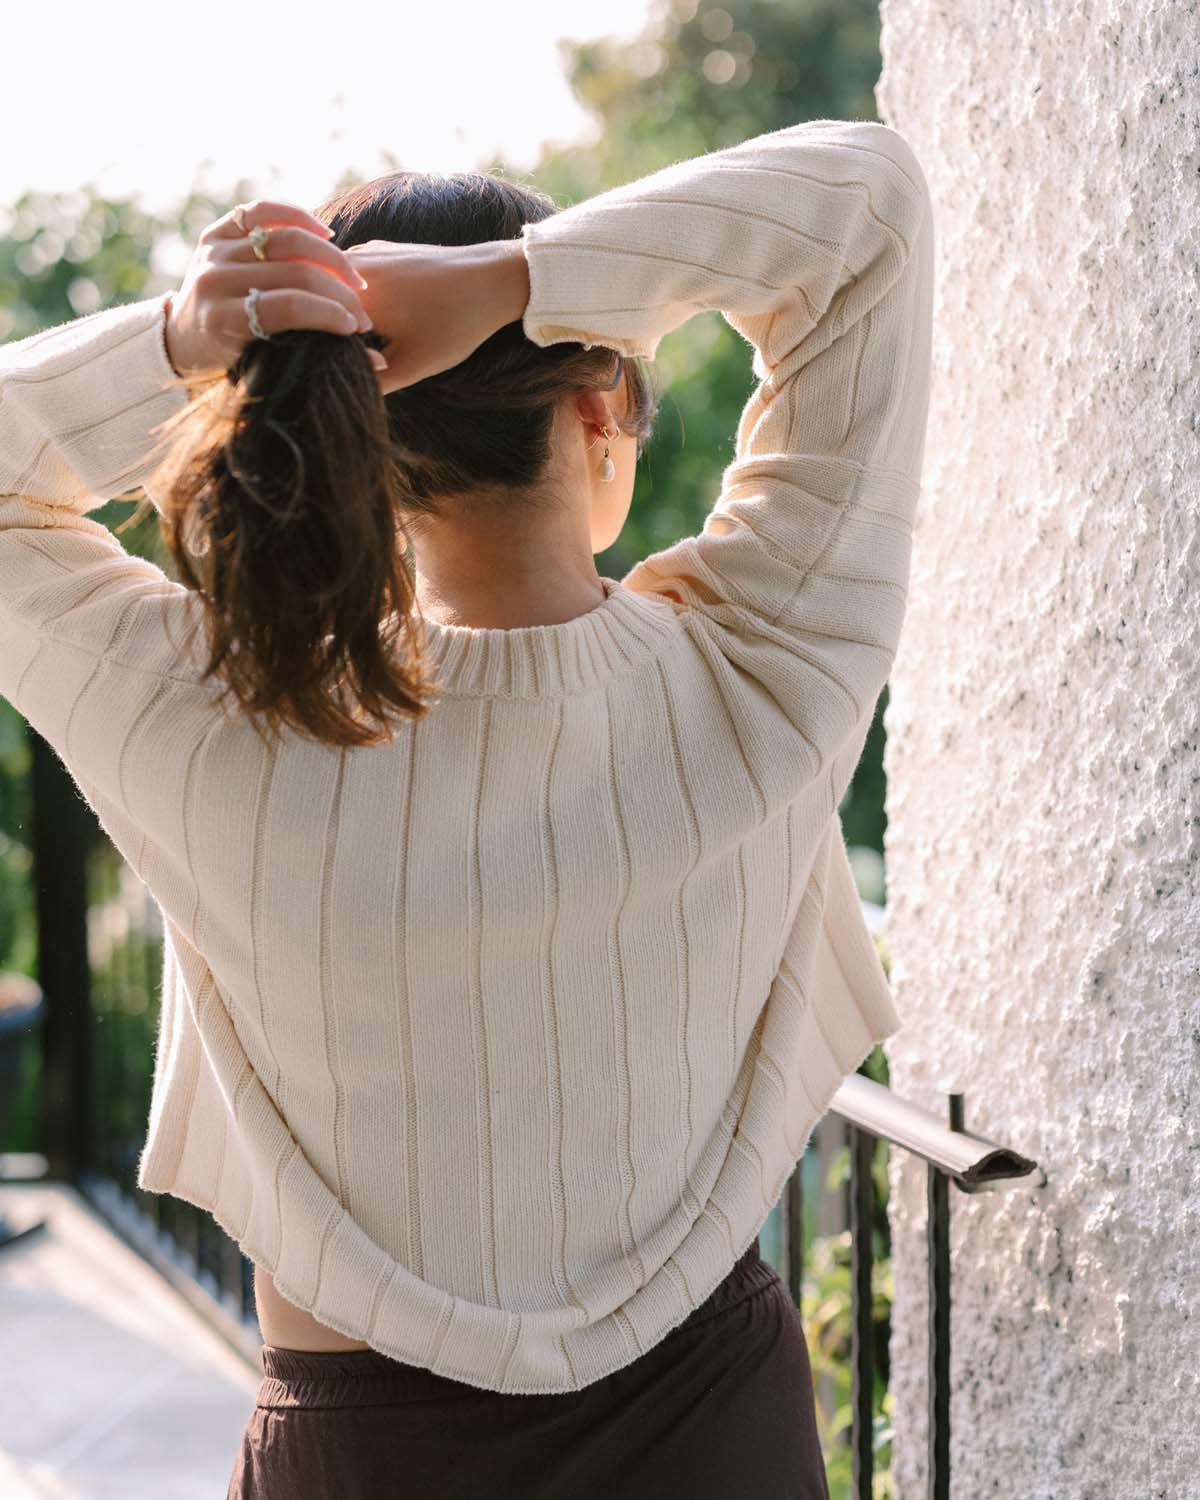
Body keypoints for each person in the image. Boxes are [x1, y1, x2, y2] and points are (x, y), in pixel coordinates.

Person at [0, 114, 932, 1498]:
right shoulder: (768, 667)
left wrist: (192, 343)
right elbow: (869, 201)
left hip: (367, 1458)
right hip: (713, 1439)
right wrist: (524, 280)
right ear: (603, 401)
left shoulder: (208, 717)